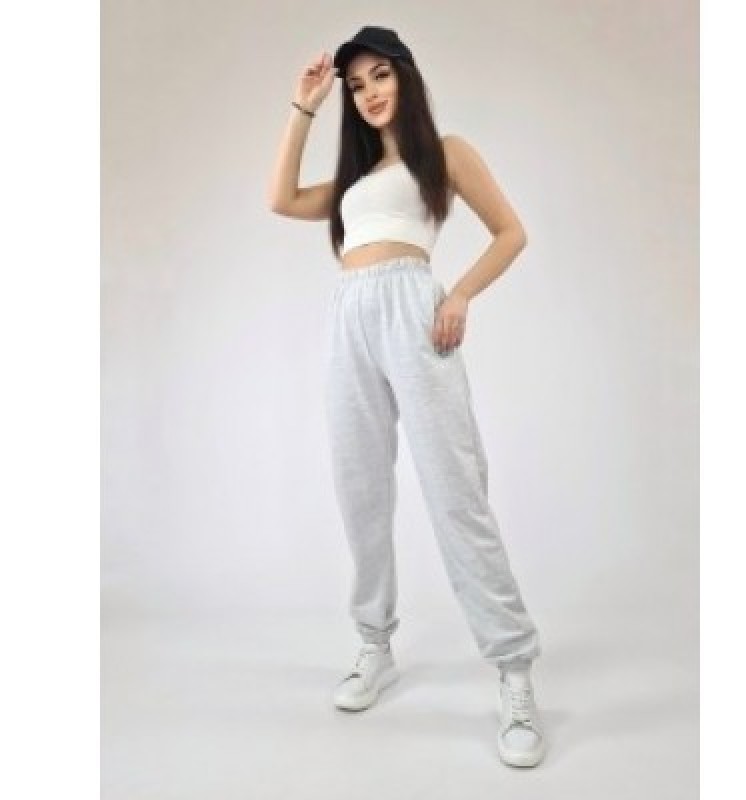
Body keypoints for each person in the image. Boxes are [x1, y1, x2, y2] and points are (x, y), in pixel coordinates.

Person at [268, 25, 546, 769]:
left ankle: (514, 671)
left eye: (380, 76)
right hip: (349, 316)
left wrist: (459, 294)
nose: (369, 93)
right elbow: (280, 198)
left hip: (413, 312)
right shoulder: (355, 183)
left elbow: (510, 232)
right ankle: (374, 644)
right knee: (359, 487)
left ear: (406, 76)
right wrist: (304, 105)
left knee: (456, 492)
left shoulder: (445, 153)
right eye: (357, 86)